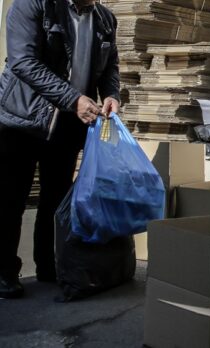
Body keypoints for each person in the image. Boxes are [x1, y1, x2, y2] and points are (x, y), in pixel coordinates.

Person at [0, 0, 120, 299]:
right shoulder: (32, 5)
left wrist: (111, 95)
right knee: (9, 198)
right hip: (21, 118)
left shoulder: (105, 19)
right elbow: (23, 62)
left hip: (68, 123)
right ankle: (3, 272)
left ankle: (49, 265)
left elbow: (110, 68)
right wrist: (73, 98)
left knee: (56, 199)